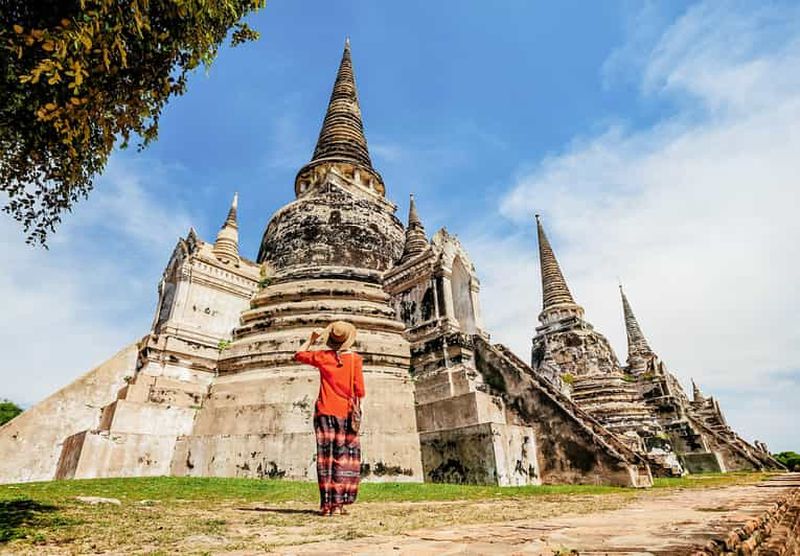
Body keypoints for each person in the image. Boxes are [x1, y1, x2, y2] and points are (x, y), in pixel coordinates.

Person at [294, 321, 365, 516]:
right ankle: (339, 504)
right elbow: (360, 390)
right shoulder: (355, 360)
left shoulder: (323, 357)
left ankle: (326, 506)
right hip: (345, 413)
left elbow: (298, 354)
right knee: (343, 458)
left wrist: (311, 338)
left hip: (324, 411)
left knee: (325, 458)